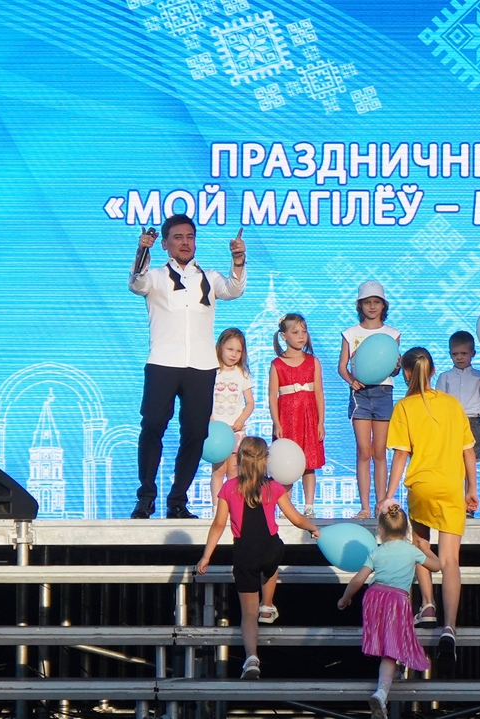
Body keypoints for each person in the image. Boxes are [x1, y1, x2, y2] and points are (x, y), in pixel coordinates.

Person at [129, 215, 246, 519]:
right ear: (166, 243)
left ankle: (178, 500)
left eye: (190, 237)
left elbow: (234, 290)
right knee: (153, 425)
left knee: (195, 433)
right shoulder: (155, 276)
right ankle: (146, 497)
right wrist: (142, 251)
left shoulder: (209, 277)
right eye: (178, 237)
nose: (185, 243)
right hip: (163, 363)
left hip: (201, 366)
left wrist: (238, 259)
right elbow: (136, 283)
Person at [376, 347, 479, 674]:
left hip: (421, 487)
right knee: (450, 560)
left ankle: (429, 605)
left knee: (420, 544)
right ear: (433, 371)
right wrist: (472, 488)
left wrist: (388, 495)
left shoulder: (404, 407)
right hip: (451, 487)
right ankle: (450, 627)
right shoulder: (452, 405)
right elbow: (468, 451)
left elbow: (401, 455)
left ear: (407, 373)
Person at [196, 437, 319, 679]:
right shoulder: (273, 487)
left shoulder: (229, 487)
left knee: (248, 614)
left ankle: (251, 658)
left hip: (244, 554)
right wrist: (313, 528)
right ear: (266, 460)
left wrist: (206, 556)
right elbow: (295, 518)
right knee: (272, 559)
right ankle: (268, 604)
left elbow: (219, 524)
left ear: (240, 459)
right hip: (270, 550)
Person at [338, 504, 442, 719]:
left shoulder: (377, 552)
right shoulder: (411, 550)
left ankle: (394, 673)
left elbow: (358, 580)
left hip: (374, 598)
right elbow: (436, 565)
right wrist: (425, 548)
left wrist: (345, 598)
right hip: (396, 601)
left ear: (381, 530)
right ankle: (381, 693)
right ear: (406, 530)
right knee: (390, 650)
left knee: (388, 641)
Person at [338, 281, 401, 519]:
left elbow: (393, 368)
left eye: (376, 302)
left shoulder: (392, 334)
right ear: (360, 305)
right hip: (360, 394)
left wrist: (396, 367)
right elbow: (342, 366)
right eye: (367, 302)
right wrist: (351, 380)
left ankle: (381, 505)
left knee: (380, 452)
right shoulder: (351, 333)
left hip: (383, 392)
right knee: (364, 451)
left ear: (383, 305)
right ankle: (364, 507)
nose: (372, 307)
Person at [269, 313, 325, 516]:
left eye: (304, 331)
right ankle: (286, 508)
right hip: (287, 418)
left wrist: (320, 422)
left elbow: (319, 393)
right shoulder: (277, 364)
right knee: (286, 463)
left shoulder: (313, 362)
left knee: (309, 463)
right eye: (295, 332)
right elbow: (272, 395)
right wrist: (277, 423)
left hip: (309, 417)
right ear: (284, 336)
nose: (301, 336)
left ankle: (309, 507)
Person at [435, 330, 480, 517]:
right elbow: (439, 402)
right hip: (450, 423)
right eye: (455, 354)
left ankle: (468, 505)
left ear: (473, 353)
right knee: (451, 465)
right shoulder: (444, 377)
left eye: (463, 353)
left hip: (473, 421)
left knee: (469, 466)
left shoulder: (479, 376)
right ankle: (451, 503)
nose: (459, 357)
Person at [210, 328, 253, 501]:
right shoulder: (212, 371)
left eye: (238, 351)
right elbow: (204, 400)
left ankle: (232, 506)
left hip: (236, 431)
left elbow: (250, 403)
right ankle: (216, 508)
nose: (234, 354)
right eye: (230, 349)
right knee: (218, 470)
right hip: (216, 433)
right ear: (220, 347)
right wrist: (211, 422)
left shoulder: (242, 374)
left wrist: (241, 420)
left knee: (234, 470)